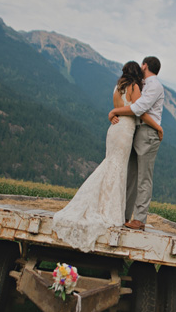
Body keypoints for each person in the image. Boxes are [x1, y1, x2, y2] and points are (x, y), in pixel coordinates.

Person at [50, 61, 162, 252]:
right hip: (126, 130)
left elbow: (118, 108)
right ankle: (112, 212)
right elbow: (138, 111)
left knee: (111, 165)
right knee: (118, 169)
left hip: (115, 129)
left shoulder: (117, 87)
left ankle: (109, 208)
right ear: (138, 71)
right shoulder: (135, 87)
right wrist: (158, 127)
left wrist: (113, 113)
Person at [108, 56, 164, 231]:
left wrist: (115, 111)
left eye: (142, 64)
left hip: (147, 131)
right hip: (135, 130)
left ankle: (139, 219)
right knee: (131, 175)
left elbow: (139, 108)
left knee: (144, 177)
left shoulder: (154, 85)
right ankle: (124, 214)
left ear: (145, 65)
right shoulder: (141, 84)